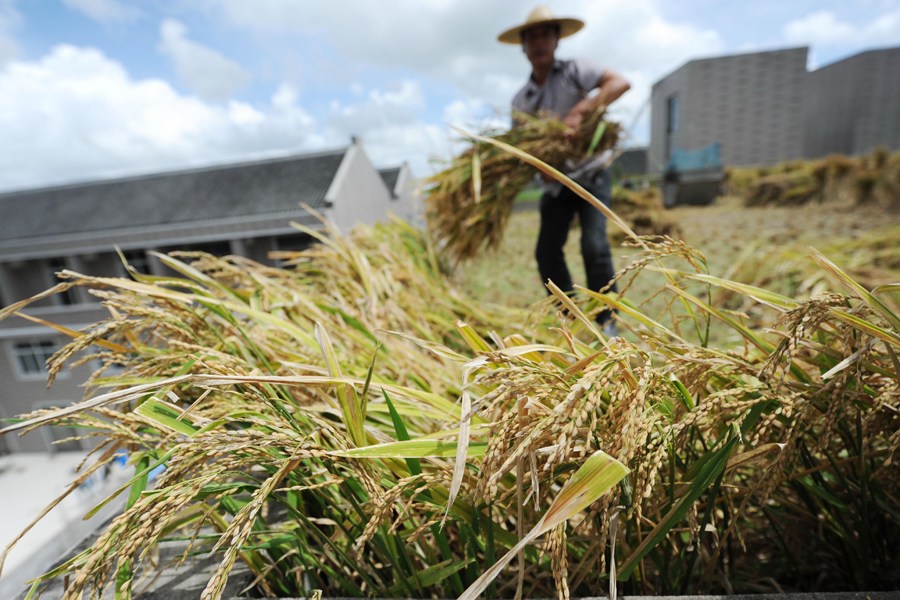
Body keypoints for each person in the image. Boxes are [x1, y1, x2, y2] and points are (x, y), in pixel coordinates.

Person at [498, 5, 630, 330]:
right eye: (532, 38)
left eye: (546, 35)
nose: (539, 43)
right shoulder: (521, 101)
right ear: (523, 47)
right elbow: (523, 149)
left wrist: (581, 111)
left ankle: (606, 318)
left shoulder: (576, 70)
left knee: (594, 245)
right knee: (546, 252)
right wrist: (537, 166)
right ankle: (569, 316)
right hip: (556, 185)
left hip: (590, 175)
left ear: (557, 40)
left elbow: (619, 83)